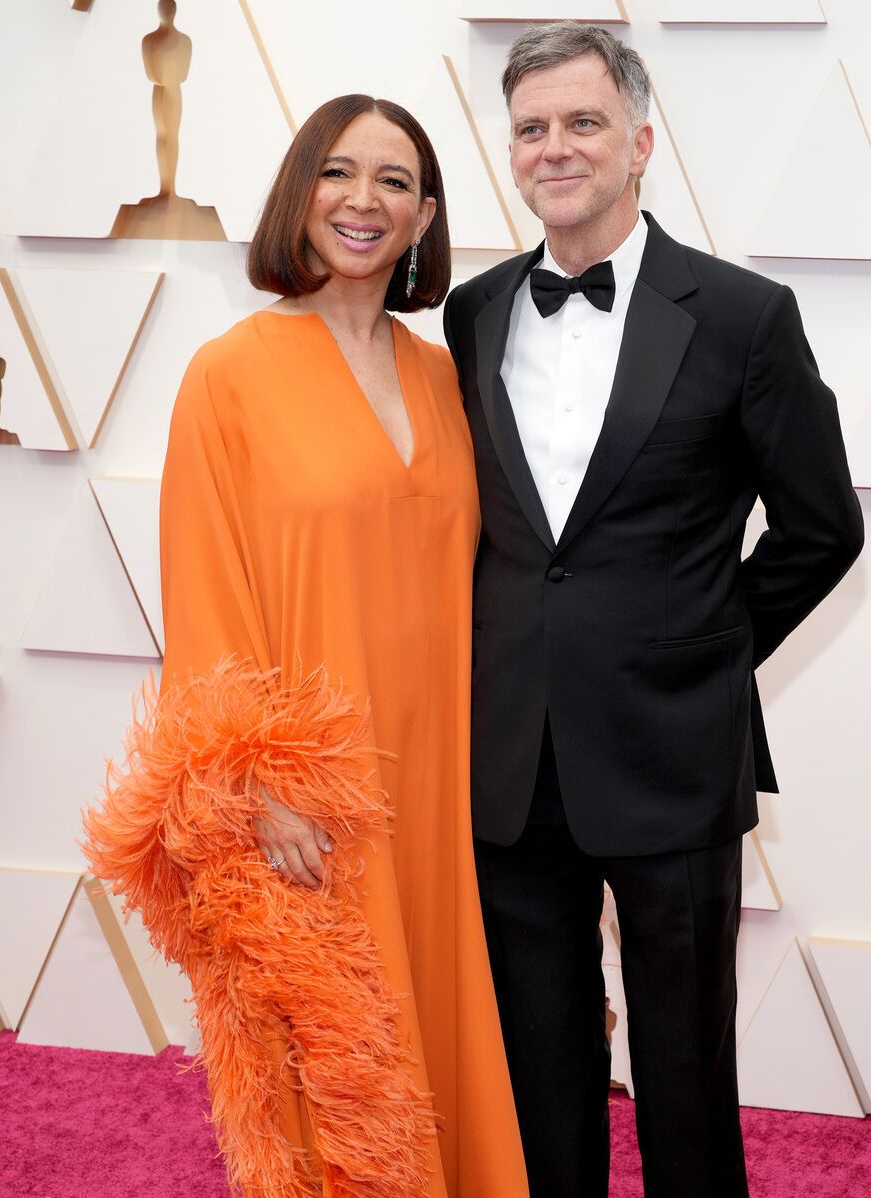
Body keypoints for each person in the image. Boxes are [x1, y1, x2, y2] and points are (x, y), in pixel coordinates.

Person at [443, 22, 864, 1198]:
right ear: (511, 151)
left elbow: (823, 527)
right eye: (531, 128)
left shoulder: (741, 314)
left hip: (672, 750)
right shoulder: (472, 313)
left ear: (638, 140)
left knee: (686, 1069)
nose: (553, 147)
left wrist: (707, 648)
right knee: (541, 1063)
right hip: (509, 754)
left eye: (581, 123)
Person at [83, 95, 528, 1198]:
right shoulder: (230, 373)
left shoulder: (443, 374)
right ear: (299, 193)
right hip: (310, 801)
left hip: (437, 778)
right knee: (336, 1059)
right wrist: (259, 783)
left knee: (435, 1008)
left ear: (426, 215)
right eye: (337, 173)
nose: (363, 201)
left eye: (393, 181)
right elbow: (206, 589)